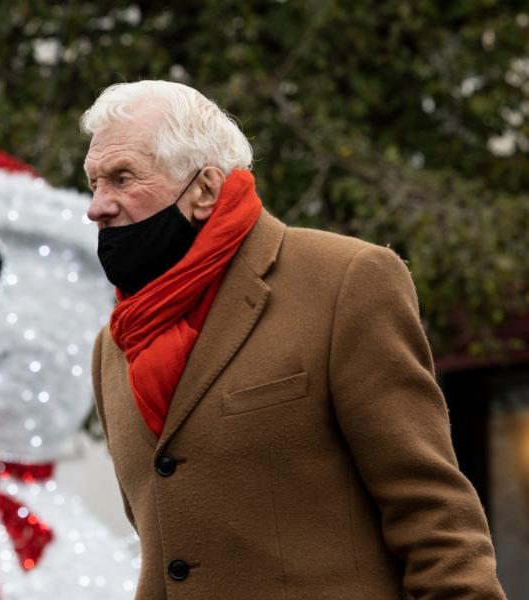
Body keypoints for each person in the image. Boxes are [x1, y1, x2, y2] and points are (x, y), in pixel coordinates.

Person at [83, 80, 506, 599]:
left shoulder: (346, 280)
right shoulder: (114, 344)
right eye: (94, 183)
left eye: (122, 179)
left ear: (204, 189)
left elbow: (435, 519)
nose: (97, 207)